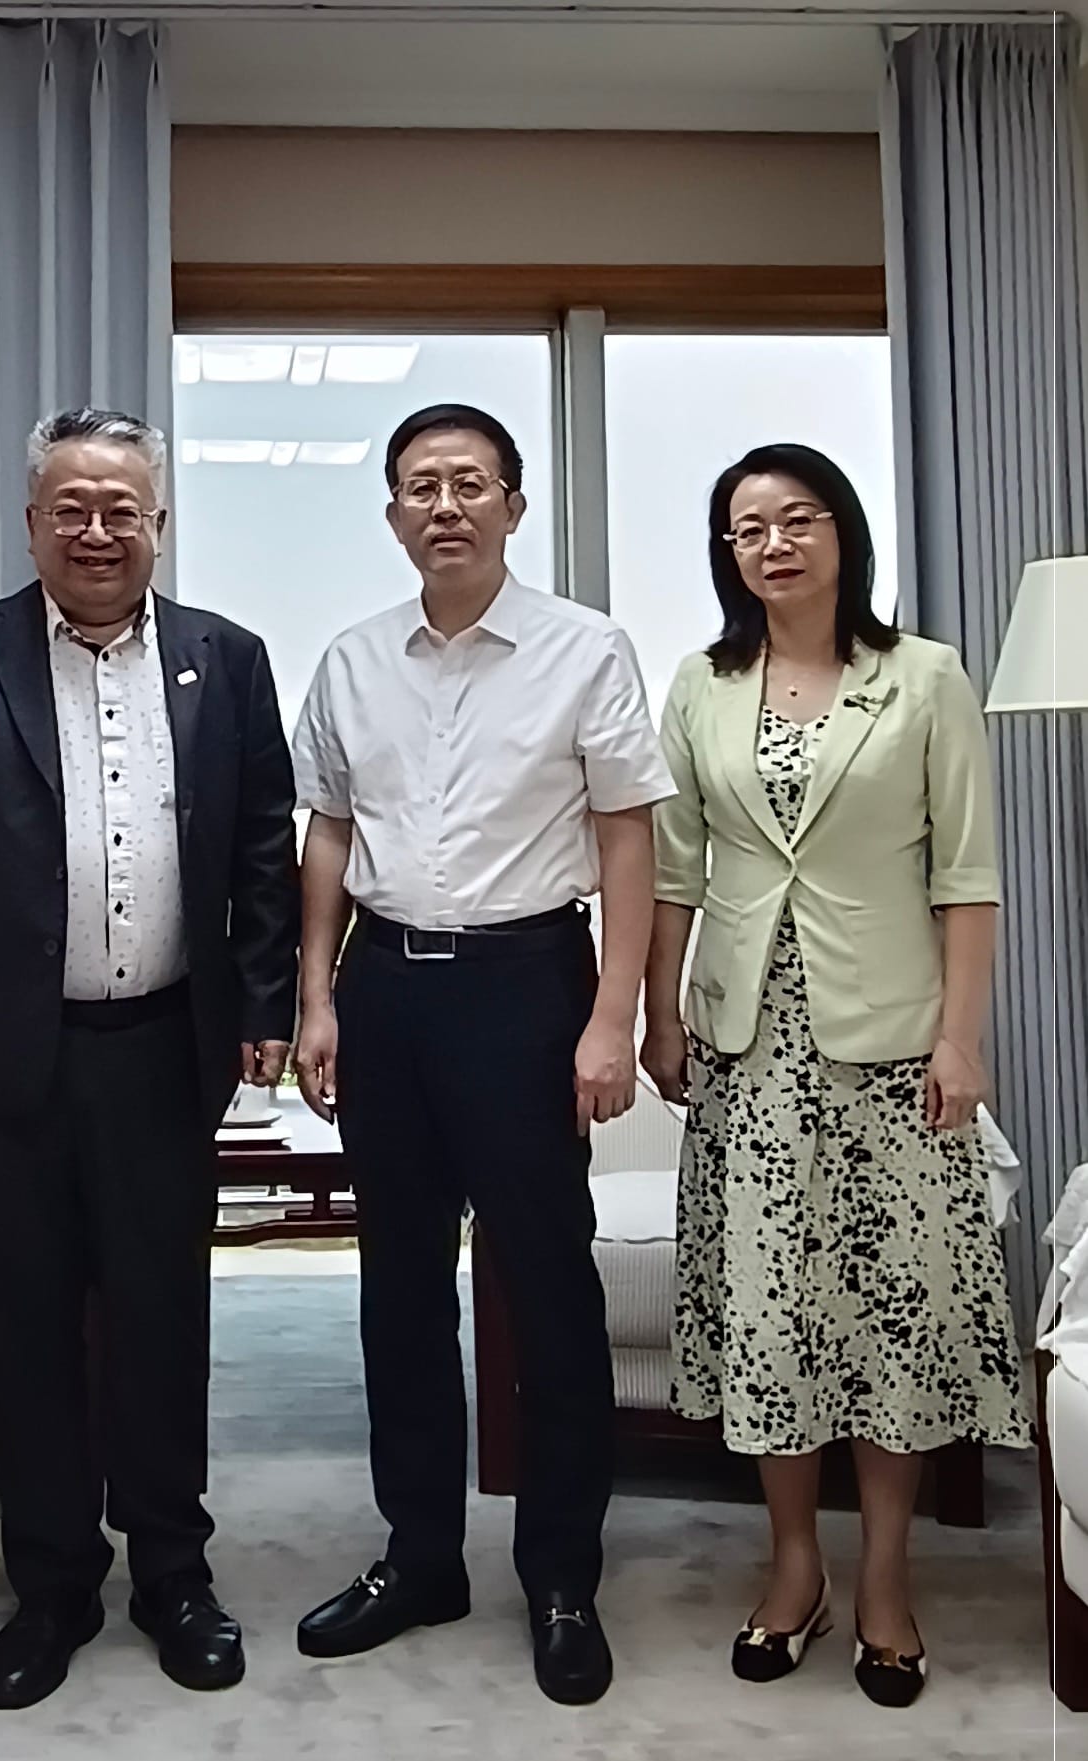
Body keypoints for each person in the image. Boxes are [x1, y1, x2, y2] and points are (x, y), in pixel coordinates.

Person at [0, 407, 299, 1710]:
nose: (99, 530)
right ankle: (51, 1583)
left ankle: (173, 1572)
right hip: (5, 1059)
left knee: (166, 1323)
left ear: (157, 522)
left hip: (165, 1045)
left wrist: (264, 1005)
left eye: (124, 508)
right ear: (33, 522)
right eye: (73, 507)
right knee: (31, 1327)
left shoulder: (226, 659)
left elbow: (261, 850)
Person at [289, 403, 674, 1705]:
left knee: (549, 1290)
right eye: (418, 486)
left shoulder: (583, 648)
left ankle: (561, 1575)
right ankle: (420, 1557)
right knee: (396, 1287)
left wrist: (609, 1013)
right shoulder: (350, 659)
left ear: (513, 505)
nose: (443, 505)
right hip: (385, 988)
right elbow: (329, 833)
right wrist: (316, 998)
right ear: (393, 514)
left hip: (526, 983)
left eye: (468, 484)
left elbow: (628, 836)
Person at [640, 442, 1030, 1708]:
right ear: (728, 555)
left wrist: (962, 1040)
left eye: (797, 519)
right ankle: (795, 1566)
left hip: (895, 1043)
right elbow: (675, 870)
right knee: (771, 1313)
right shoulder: (701, 685)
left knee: (891, 1311)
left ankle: (885, 1582)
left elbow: (963, 875)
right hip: (748, 1049)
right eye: (745, 529)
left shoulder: (923, 677)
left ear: (842, 533)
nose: (773, 545)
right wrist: (658, 1011)